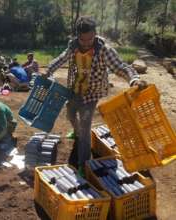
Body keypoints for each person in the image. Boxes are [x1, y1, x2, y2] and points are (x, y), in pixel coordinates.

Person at [44, 16, 147, 176]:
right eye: (82, 39)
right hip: (74, 89)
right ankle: (76, 132)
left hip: (91, 94)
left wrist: (134, 79)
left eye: (90, 39)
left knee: (86, 127)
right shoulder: (73, 46)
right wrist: (48, 70)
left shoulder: (104, 50)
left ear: (95, 34)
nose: (86, 43)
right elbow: (60, 59)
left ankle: (83, 164)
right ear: (77, 35)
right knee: (70, 114)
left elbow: (121, 67)